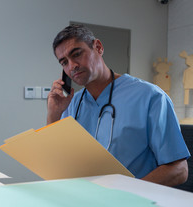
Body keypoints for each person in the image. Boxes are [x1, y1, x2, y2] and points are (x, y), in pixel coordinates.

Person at [47, 24, 189, 186]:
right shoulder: (72, 104)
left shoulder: (150, 97)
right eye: (64, 62)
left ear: (98, 47)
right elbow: (56, 165)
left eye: (77, 54)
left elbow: (179, 169)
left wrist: (128, 193)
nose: (72, 66)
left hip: (135, 203)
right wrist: (53, 114)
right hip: (85, 199)